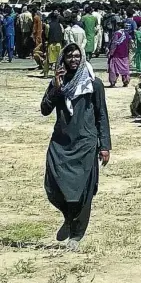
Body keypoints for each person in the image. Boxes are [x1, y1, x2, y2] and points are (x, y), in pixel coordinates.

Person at [40, 44, 111, 251]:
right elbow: (45, 109)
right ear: (63, 58)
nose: (73, 59)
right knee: (53, 185)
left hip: (86, 143)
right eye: (69, 56)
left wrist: (104, 145)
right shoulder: (58, 82)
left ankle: (77, 234)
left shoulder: (93, 84)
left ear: (82, 57)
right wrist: (56, 87)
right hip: (61, 142)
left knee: (83, 191)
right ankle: (68, 217)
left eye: (77, 56)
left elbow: (101, 115)